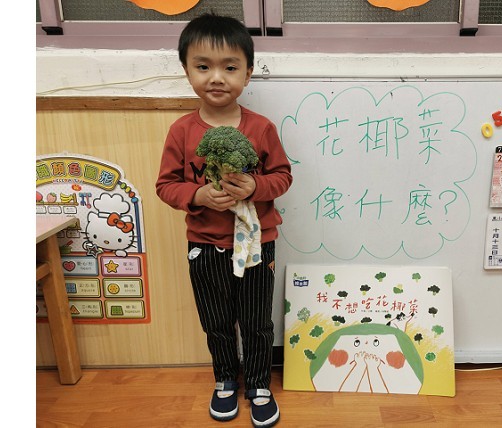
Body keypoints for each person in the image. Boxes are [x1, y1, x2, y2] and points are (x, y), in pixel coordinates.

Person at [156, 13, 292, 428]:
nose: (216, 77)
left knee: (256, 323)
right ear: (187, 71)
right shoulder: (182, 131)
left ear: (247, 74)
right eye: (203, 66)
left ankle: (259, 384)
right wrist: (197, 196)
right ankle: (225, 380)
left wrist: (255, 187)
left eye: (230, 67)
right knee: (216, 322)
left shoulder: (261, 128)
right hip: (204, 244)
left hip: (257, 243)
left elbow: (283, 177)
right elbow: (165, 185)